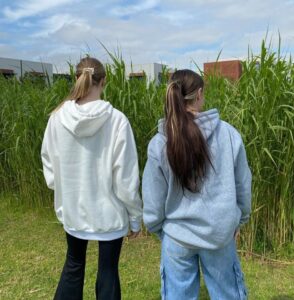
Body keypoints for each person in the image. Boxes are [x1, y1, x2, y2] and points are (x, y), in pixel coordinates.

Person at [142, 69, 251, 300]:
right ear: (199, 94)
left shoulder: (161, 142)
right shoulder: (229, 135)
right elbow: (243, 184)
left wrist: (159, 229)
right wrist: (238, 219)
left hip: (177, 237)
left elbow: (153, 199)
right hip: (220, 234)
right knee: (228, 295)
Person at [41, 57, 142, 300]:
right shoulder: (117, 120)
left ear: (77, 78)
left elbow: (49, 162)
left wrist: (63, 189)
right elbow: (126, 178)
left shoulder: (57, 118)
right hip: (110, 215)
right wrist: (135, 218)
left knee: (73, 266)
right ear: (103, 81)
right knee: (108, 272)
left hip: (74, 211)